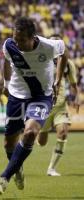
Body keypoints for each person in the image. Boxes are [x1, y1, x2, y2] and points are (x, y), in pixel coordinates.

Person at [0, 17, 68, 195]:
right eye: (15, 39)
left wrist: (58, 80)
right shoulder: (9, 45)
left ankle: (5, 177)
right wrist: (5, 82)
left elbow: (64, 53)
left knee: (30, 133)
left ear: (33, 37)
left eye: (22, 40)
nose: (17, 44)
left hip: (40, 96)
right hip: (16, 96)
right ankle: (17, 168)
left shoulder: (49, 46)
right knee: (8, 144)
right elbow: (6, 60)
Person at [37, 36, 79, 176]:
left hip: (61, 105)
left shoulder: (68, 63)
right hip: (44, 105)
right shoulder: (42, 60)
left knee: (63, 133)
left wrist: (76, 97)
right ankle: (42, 131)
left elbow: (73, 84)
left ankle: (51, 168)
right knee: (41, 141)